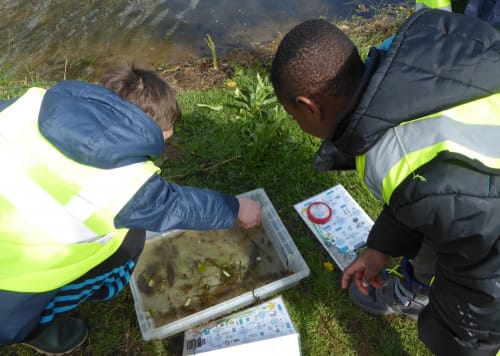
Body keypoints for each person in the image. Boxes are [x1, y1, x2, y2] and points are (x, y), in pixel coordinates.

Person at [270, 9, 499, 356]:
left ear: (308, 106)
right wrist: (381, 248)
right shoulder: (415, 57)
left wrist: (454, 334)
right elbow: (432, 188)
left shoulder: (404, 160)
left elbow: (485, 277)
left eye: (293, 116)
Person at [0, 65, 262, 354]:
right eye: (166, 137)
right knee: (130, 239)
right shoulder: (127, 184)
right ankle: (41, 327)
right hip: (12, 293)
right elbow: (180, 206)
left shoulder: (29, 104)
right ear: (148, 131)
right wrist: (235, 206)